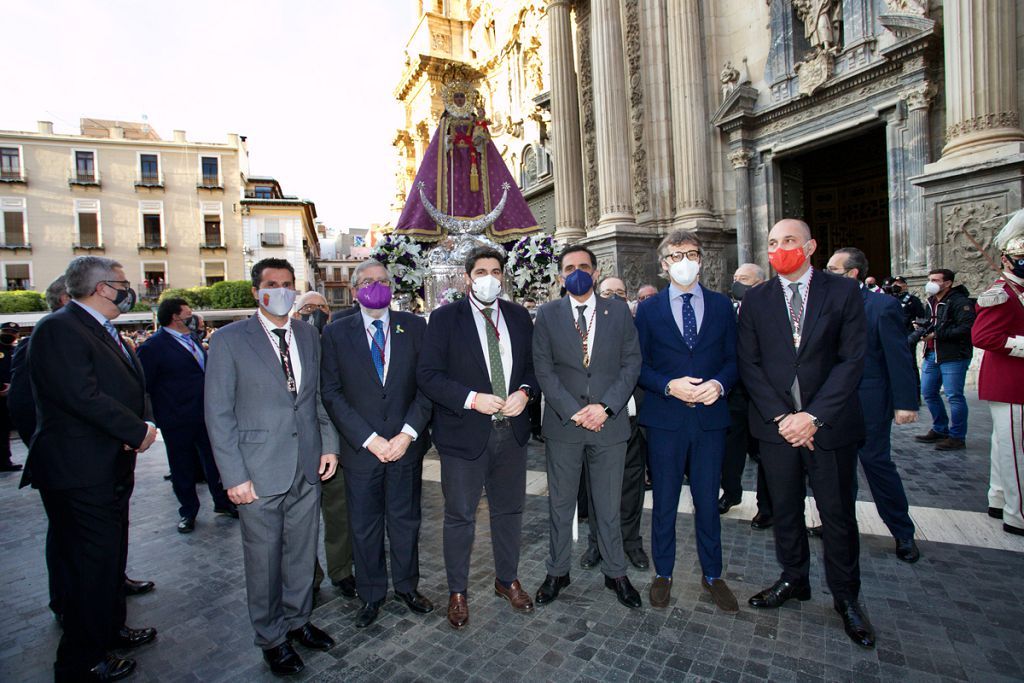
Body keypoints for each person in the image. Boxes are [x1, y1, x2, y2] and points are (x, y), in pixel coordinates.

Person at [737, 219, 874, 648]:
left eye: (789, 241)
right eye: (773, 243)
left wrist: (811, 416)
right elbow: (750, 366)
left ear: (810, 246)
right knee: (786, 511)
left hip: (829, 426)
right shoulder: (756, 300)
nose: (780, 249)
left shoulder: (844, 291)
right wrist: (784, 418)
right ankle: (794, 578)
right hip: (777, 428)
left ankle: (847, 597)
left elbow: (852, 361)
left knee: (836, 515)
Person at [21, 256, 158, 681]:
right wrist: (136, 430)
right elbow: (81, 396)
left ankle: (108, 630)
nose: (128, 287)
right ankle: (81, 660)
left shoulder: (99, 328)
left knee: (108, 560)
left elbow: (127, 385)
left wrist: (141, 422)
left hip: (107, 465)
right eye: (122, 282)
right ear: (101, 287)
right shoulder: (58, 328)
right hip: (78, 470)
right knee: (88, 568)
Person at [205, 258, 340, 676]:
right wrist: (234, 476)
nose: (281, 290)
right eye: (272, 284)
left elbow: (315, 398)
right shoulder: (229, 340)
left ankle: (298, 621)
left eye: (287, 284)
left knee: (302, 552)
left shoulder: (307, 334)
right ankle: (271, 637)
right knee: (263, 560)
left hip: (306, 464)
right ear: (255, 292)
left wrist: (329, 446)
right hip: (257, 471)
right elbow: (218, 413)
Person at [417, 246, 537, 630]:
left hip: (511, 434)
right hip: (464, 435)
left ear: (503, 276)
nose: (489, 277)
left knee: (509, 512)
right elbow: (429, 375)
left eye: (496, 270)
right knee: (459, 517)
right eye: (481, 270)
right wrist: (471, 399)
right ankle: (457, 592)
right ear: (467, 277)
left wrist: (524, 392)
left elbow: (534, 369)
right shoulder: (444, 318)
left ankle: (507, 579)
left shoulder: (519, 317)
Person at [320, 259, 434, 628]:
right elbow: (332, 393)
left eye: (383, 281)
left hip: (405, 447)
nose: (376, 286)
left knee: (405, 521)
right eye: (368, 281)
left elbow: (426, 386)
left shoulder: (415, 327)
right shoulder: (337, 332)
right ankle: (371, 595)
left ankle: (406, 586)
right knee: (364, 526)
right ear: (355, 290)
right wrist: (369, 439)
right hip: (361, 451)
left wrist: (406, 434)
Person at [532, 250, 643, 610]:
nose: (576, 273)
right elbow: (544, 369)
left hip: (609, 426)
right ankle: (557, 571)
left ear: (595, 273)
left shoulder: (618, 313)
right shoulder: (547, 314)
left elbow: (631, 363)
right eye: (569, 269)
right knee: (561, 505)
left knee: (608, 505)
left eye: (583, 267)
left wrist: (606, 407)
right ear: (560, 277)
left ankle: (615, 573)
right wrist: (574, 410)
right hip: (565, 426)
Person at [635, 231, 738, 613]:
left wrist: (719, 384)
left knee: (708, 502)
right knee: (663, 502)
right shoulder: (648, 310)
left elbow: (733, 360)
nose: (685, 260)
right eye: (676, 255)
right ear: (663, 265)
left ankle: (713, 574)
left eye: (691, 253)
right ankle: (664, 573)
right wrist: (667, 385)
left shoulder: (722, 305)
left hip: (711, 419)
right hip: (666, 421)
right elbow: (639, 365)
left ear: (702, 259)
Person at [827, 248, 921, 562]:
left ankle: (902, 532)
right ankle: (837, 525)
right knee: (838, 470)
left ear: (853, 274)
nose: (826, 274)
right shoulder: (823, 306)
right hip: (832, 404)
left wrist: (905, 402)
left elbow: (898, 356)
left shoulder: (882, 306)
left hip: (870, 401)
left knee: (877, 465)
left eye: (833, 269)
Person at [137, 298, 236, 533]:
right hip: (176, 419)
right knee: (182, 467)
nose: (193, 318)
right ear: (175, 317)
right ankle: (188, 511)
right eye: (188, 314)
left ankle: (222, 503)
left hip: (205, 414)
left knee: (214, 462)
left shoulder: (193, 340)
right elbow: (145, 386)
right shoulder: (153, 347)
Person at [577, 276, 651, 571]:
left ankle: (631, 542)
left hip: (631, 419)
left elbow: (644, 371)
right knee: (597, 488)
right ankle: (597, 543)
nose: (615, 297)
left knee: (631, 487)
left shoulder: (639, 328)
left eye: (621, 293)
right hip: (595, 421)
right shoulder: (586, 331)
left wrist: (627, 405)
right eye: (608, 292)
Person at [973, 215, 1024, 537]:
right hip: (1009, 383)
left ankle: (999, 498)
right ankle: (1017, 514)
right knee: (1014, 451)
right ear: (1007, 260)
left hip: (1013, 383)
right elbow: (984, 337)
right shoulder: (1001, 291)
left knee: (1006, 445)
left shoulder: (1015, 289)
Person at [721, 263, 773, 530]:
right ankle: (730, 493)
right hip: (734, 394)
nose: (737, 284)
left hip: (763, 396)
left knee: (764, 453)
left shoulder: (774, 310)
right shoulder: (727, 309)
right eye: (736, 278)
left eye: (744, 279)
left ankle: (766, 507)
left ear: (760, 283)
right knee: (731, 451)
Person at [914, 268, 975, 451]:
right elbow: (931, 323)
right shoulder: (931, 301)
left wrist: (936, 335)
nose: (931, 283)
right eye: (929, 279)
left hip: (953, 355)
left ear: (947, 283)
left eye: (935, 279)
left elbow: (965, 328)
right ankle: (940, 428)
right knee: (929, 392)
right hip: (932, 354)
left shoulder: (960, 302)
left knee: (954, 396)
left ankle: (957, 436)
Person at [0, 321, 21, 471]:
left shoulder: (17, 350)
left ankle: (5, 460)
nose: (9, 334)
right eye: (6, 331)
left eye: (12, 332)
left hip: (12, 396)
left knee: (5, 430)